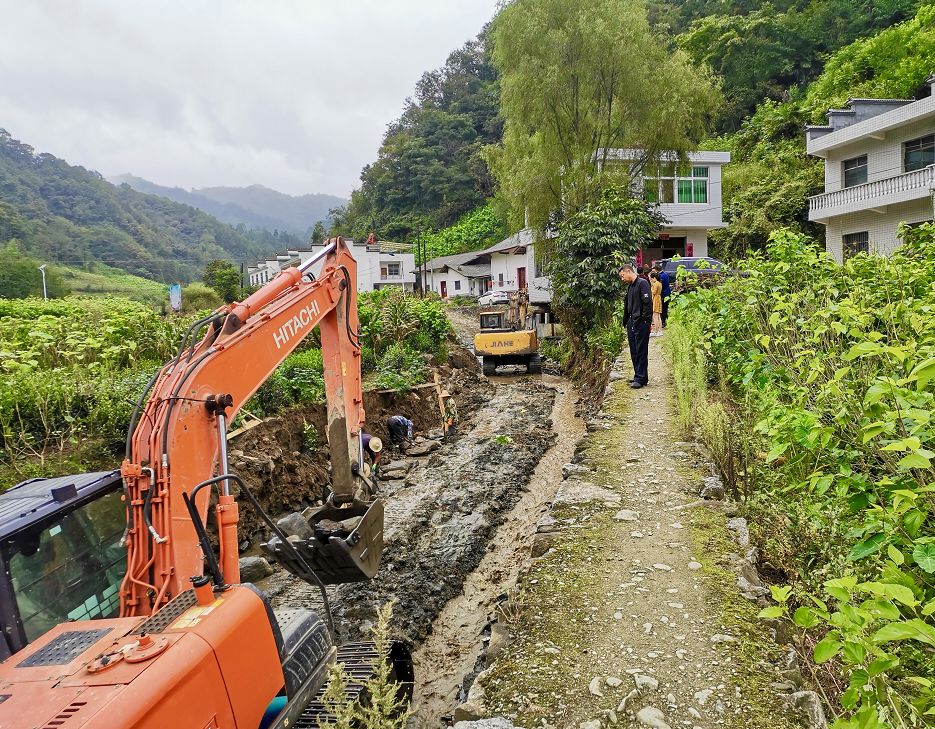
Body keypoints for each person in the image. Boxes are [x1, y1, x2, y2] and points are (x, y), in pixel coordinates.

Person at [618, 263, 652, 388]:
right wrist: (626, 321)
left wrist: (645, 321)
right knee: (634, 350)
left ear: (628, 271)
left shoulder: (642, 283)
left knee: (641, 350)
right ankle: (639, 376)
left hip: (641, 322)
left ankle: (641, 378)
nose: (622, 279)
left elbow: (647, 304)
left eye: (622, 276)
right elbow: (628, 305)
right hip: (632, 321)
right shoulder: (630, 286)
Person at [652, 262, 671, 327]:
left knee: (662, 309)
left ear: (657, 270)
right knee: (665, 308)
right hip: (667, 293)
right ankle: (664, 321)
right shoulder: (665, 274)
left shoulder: (661, 276)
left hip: (663, 294)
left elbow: (659, 287)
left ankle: (663, 322)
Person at [650, 271, 663, 337]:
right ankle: (660, 331)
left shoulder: (655, 284)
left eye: (651, 279)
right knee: (658, 316)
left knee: (655, 316)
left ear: (654, 278)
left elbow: (653, 292)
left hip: (655, 299)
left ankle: (656, 331)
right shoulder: (660, 283)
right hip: (659, 298)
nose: (651, 280)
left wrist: (651, 287)